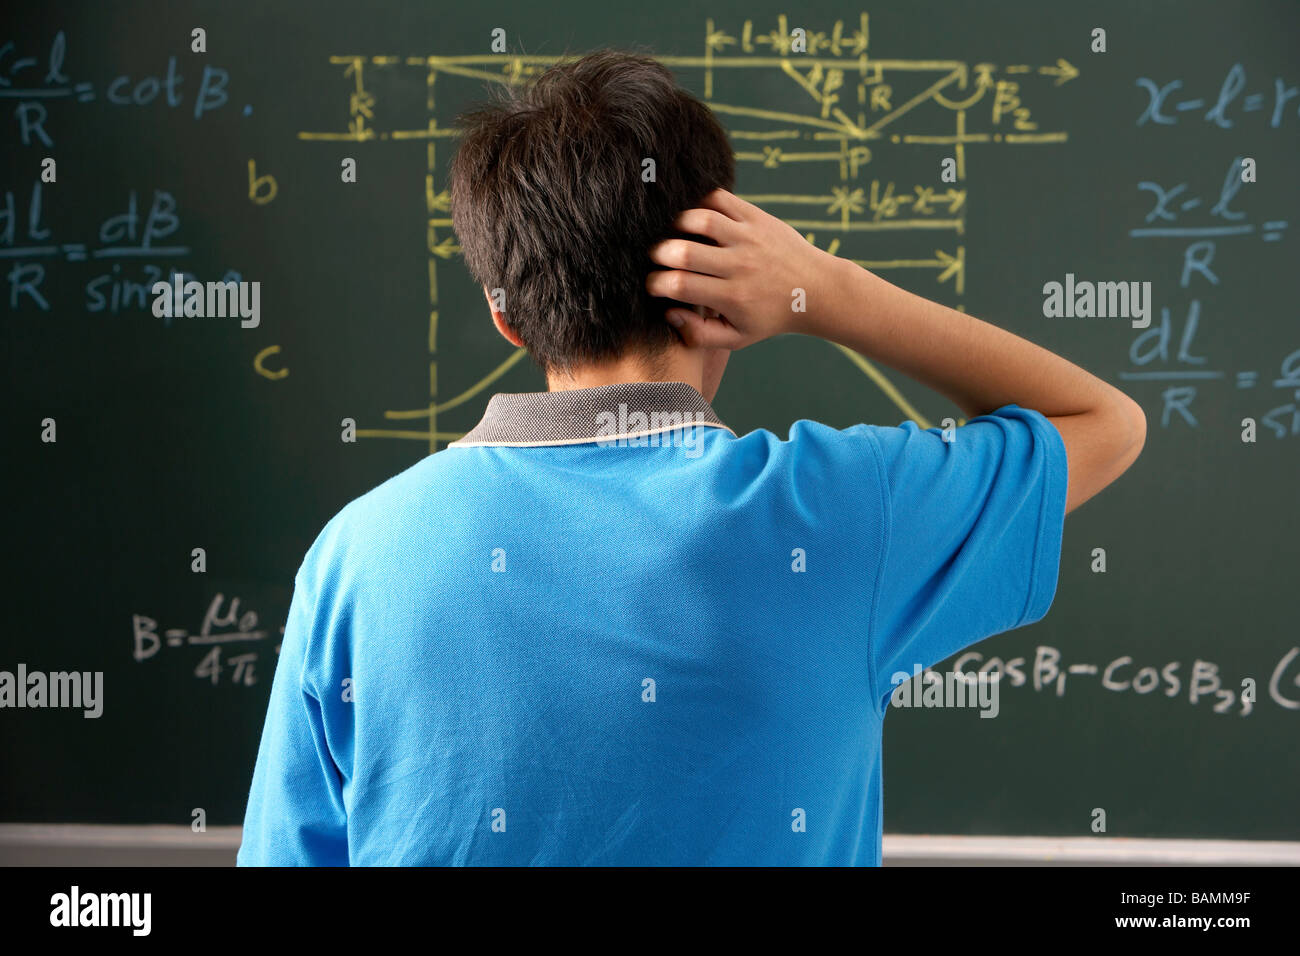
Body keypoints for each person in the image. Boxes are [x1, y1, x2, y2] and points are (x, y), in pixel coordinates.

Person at [238, 50, 1145, 866]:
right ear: (722, 282)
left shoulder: (355, 556)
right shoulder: (838, 516)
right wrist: (821, 290)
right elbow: (1102, 420)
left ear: (504, 314)